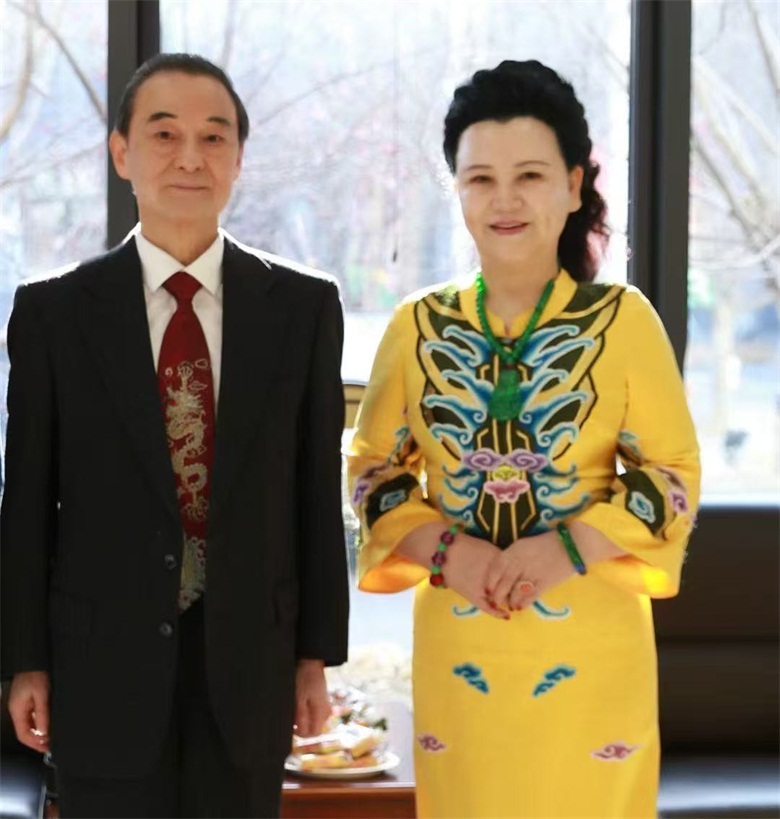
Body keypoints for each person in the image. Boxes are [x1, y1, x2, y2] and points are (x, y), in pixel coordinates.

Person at [348, 59, 700, 819]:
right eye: (480, 179)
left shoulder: (625, 320)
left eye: (530, 176)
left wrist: (563, 549)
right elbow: (373, 470)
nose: (503, 199)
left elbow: (671, 472)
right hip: (462, 646)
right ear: (457, 191)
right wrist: (449, 550)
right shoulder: (415, 325)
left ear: (573, 187)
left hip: (592, 645)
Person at [0, 53, 349, 818]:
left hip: (250, 670)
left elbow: (314, 497)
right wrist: (24, 661)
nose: (191, 157)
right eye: (164, 134)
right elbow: (25, 504)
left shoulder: (303, 309)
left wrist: (315, 656)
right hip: (101, 668)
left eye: (213, 137)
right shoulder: (54, 314)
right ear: (121, 152)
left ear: (238, 159)